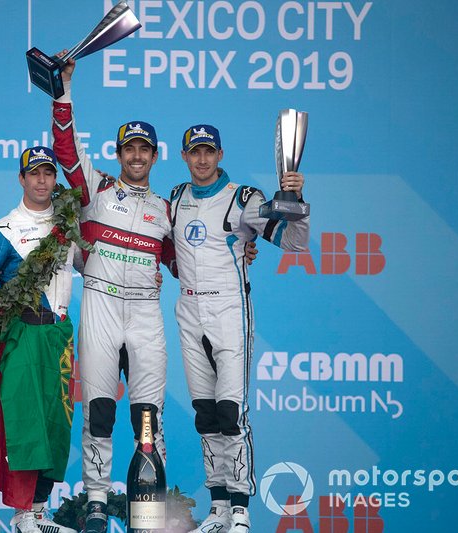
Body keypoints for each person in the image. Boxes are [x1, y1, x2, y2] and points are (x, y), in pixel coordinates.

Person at [50, 54, 174, 533]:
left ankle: (149, 505)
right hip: (100, 303)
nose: (137, 157)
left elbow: (188, 261)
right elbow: (65, 150)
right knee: (99, 408)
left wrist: (241, 255)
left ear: (154, 156)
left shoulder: (166, 210)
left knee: (147, 415)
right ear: (119, 155)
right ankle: (97, 500)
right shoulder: (96, 188)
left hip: (145, 312)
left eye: (145, 150)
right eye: (130, 150)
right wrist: (63, 91)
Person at [168, 125, 309, 533]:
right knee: (205, 414)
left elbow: (293, 242)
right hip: (189, 308)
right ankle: (218, 508)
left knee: (232, 412)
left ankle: (241, 508)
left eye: (209, 152)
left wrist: (295, 197)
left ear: (220, 154)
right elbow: (161, 245)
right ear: (183, 156)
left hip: (229, 307)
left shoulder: (245, 199)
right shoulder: (176, 198)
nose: (202, 159)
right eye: (195, 152)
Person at [0, 146, 78, 533]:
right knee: (25, 425)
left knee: (58, 426)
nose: (42, 181)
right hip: (22, 335)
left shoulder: (68, 226)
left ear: (55, 180)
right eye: (34, 174)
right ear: (21, 179)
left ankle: (39, 512)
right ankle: (21, 516)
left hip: (60, 333)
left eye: (48, 174)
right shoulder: (1, 231)